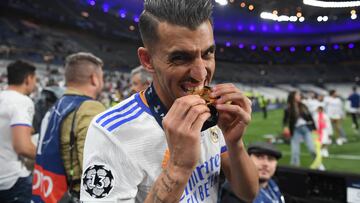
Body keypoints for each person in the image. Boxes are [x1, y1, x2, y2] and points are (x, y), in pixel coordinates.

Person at [80, 0, 259, 202]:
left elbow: (248, 193)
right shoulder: (111, 133)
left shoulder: (210, 112)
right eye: (181, 58)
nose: (201, 74)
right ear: (147, 60)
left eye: (208, 53)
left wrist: (235, 143)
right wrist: (177, 168)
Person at [32, 52, 106, 202]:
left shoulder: (56, 106)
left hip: (45, 192)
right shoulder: (89, 108)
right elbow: (97, 170)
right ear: (94, 79)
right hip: (72, 195)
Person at [0, 60, 37, 203]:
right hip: (12, 179)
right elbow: (22, 147)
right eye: (35, 80)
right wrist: (46, 156)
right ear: (28, 79)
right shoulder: (22, 101)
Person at [220, 142, 284, 203]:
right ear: (247, 159)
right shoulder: (234, 193)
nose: (265, 164)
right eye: (259, 157)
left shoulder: (273, 184)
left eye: (270, 159)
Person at [283, 91, 316, 166]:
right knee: (295, 152)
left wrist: (314, 128)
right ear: (293, 96)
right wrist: (285, 127)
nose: (299, 96)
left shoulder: (303, 105)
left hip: (306, 129)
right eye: (297, 95)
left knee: (312, 150)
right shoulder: (288, 108)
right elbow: (285, 120)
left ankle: (318, 164)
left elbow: (310, 117)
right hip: (295, 130)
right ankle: (295, 167)